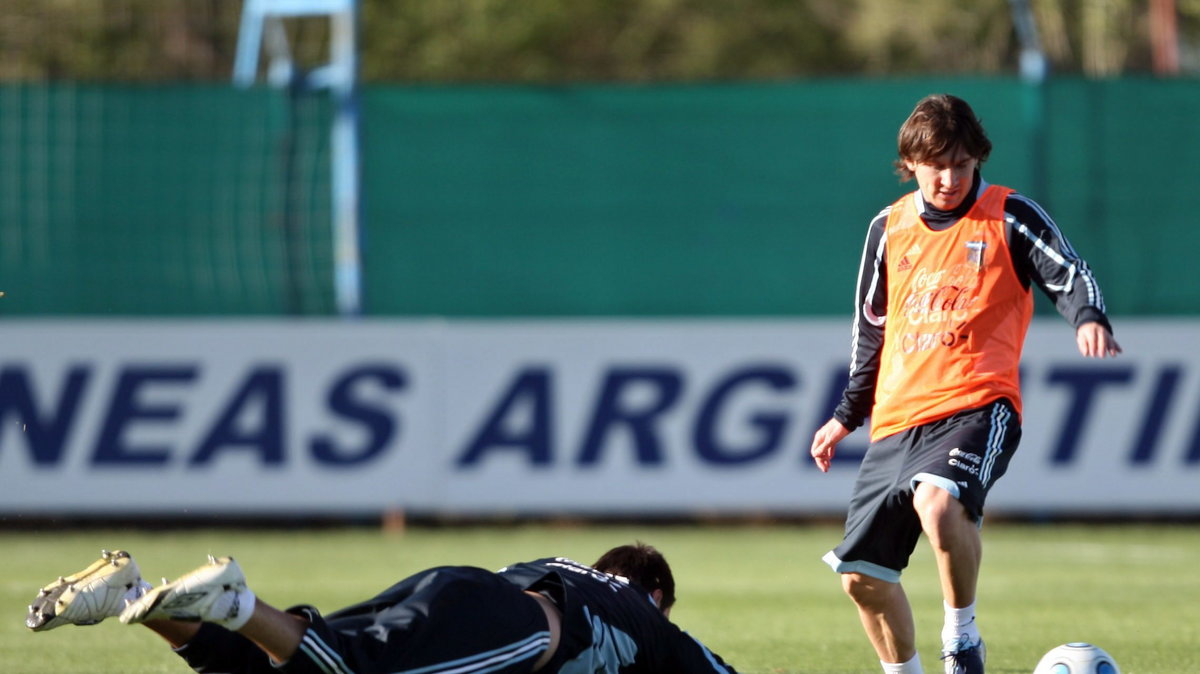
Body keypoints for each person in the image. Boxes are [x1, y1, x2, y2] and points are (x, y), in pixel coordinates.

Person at [809, 94, 1120, 674]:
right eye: (936, 166)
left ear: (979, 160)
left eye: (962, 164)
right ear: (912, 164)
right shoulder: (888, 227)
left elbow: (1067, 270)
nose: (950, 178)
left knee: (939, 501)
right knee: (861, 580)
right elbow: (870, 332)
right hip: (897, 419)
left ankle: (962, 639)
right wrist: (845, 416)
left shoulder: (1009, 214)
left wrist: (1087, 316)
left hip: (978, 403)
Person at [27, 542, 737, 674]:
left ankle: (134, 597)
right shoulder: (651, 628)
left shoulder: (559, 566)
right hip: (521, 629)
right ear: (654, 598)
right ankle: (236, 602)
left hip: (461, 587)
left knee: (282, 664)